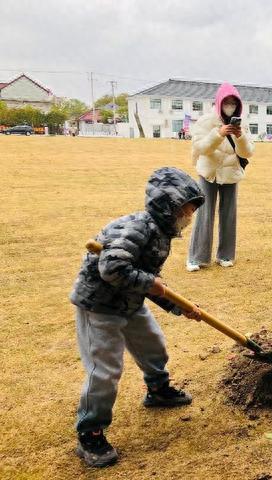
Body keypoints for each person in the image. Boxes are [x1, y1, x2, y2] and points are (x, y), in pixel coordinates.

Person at [69, 167, 205, 467]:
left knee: (153, 345)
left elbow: (146, 280)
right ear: (167, 206)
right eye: (186, 209)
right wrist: (151, 283)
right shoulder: (133, 228)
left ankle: (158, 390)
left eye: (192, 211)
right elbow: (112, 269)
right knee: (104, 371)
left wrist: (177, 306)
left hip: (130, 302)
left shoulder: (161, 234)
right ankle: (90, 432)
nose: (189, 217)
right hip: (99, 306)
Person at [187, 83, 255, 271]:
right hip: (209, 173)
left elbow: (248, 152)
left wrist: (240, 137)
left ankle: (225, 255)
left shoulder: (242, 122)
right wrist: (218, 134)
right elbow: (200, 148)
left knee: (228, 215)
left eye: (234, 103)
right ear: (219, 103)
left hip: (231, 174)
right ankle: (196, 257)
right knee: (204, 214)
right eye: (227, 102)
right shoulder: (205, 121)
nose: (230, 106)